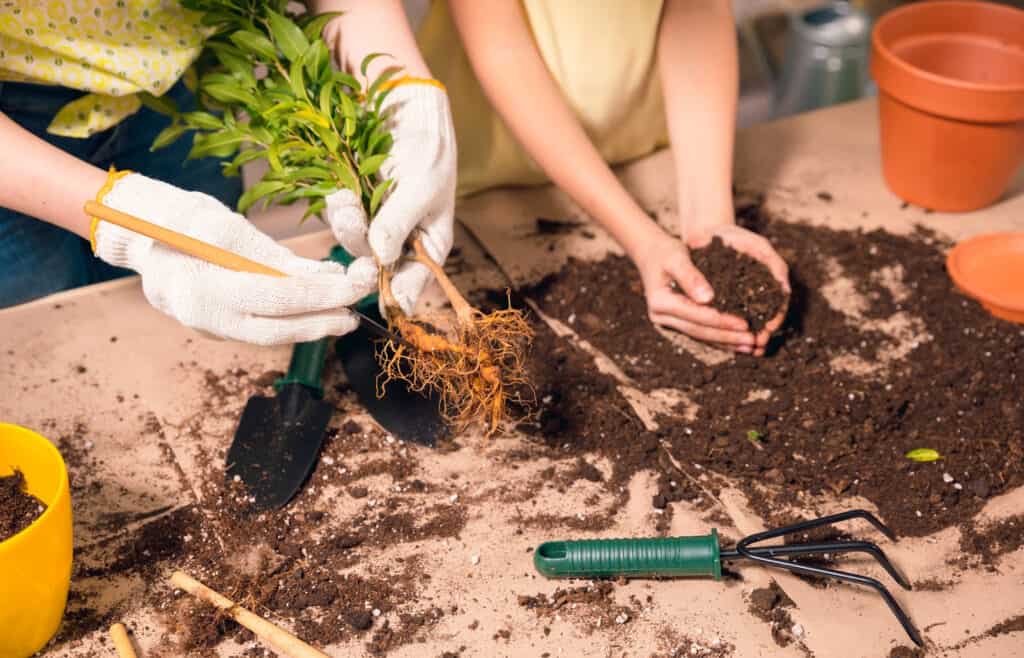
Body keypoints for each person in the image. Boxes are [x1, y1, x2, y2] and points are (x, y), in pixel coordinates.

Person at [0, 1, 456, 346]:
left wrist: (404, 95)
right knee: (42, 334)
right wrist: (117, 219)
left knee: (190, 321)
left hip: (174, 72)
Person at [415, 0, 790, 356]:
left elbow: (696, 8)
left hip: (639, 143)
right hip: (492, 165)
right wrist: (643, 241)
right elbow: (500, 47)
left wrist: (710, 222)